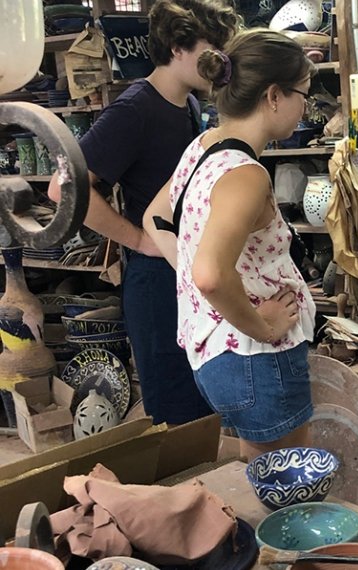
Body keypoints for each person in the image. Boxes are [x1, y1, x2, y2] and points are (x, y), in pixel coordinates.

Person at [48, 0, 240, 426]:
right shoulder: (135, 109)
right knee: (176, 418)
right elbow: (63, 188)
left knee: (206, 412)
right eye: (211, 52)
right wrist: (136, 238)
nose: (219, 64)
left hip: (187, 270)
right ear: (177, 47)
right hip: (155, 280)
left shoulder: (188, 104)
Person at [143, 29, 317, 460]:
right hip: (258, 357)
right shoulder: (245, 175)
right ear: (273, 96)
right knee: (292, 486)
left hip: (217, 356)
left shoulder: (203, 147)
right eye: (303, 94)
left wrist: (191, 272)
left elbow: (155, 219)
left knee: (259, 472)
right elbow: (210, 275)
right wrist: (263, 326)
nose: (305, 107)